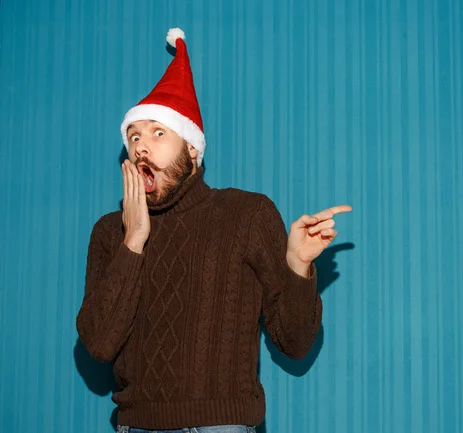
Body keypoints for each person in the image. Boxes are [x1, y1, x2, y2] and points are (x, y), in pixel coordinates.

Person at [76, 28, 351, 433]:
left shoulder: (246, 214)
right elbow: (98, 345)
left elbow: (294, 342)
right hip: (135, 427)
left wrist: (297, 265)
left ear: (191, 148)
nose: (142, 147)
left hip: (223, 426)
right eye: (134, 136)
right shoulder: (108, 233)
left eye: (158, 133)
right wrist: (133, 240)